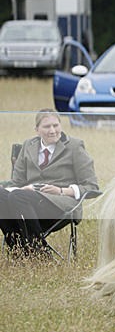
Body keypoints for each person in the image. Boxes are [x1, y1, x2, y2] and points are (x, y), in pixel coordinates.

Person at [0, 109, 99, 255]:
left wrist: (60, 191)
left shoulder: (75, 147)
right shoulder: (28, 145)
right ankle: (17, 247)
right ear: (37, 130)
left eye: (56, 125)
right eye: (47, 127)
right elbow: (17, 182)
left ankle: (38, 251)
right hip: (26, 202)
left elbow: (92, 186)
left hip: (60, 206)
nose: (52, 131)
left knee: (18, 196)